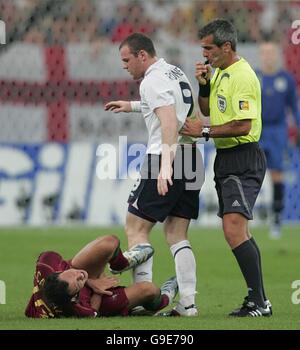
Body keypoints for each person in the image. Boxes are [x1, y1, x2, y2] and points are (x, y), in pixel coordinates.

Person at [105, 33, 204, 316]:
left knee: (136, 227)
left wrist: (164, 166)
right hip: (191, 157)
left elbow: (169, 121)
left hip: (166, 155)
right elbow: (181, 109)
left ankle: (141, 298)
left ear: (142, 56)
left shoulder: (151, 80)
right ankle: (187, 303)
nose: (124, 66)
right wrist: (133, 105)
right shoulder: (173, 71)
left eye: (127, 60)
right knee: (176, 234)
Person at [180, 19, 272, 317]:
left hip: (243, 157)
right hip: (226, 158)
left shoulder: (243, 76)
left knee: (233, 229)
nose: (204, 54)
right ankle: (259, 301)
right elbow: (207, 110)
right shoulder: (220, 71)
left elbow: (243, 125)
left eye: (209, 48)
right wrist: (204, 84)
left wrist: (203, 132)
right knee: (238, 230)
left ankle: (259, 301)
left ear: (226, 46)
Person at [25, 234, 177, 318]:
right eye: (78, 282)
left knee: (109, 242)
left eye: (70, 274)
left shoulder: (46, 264)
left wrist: (89, 281)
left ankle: (122, 264)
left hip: (86, 278)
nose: (79, 275)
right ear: (74, 297)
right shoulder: (77, 308)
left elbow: (73, 270)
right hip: (100, 300)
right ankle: (164, 299)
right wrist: (98, 290)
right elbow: (94, 313)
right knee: (149, 291)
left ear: (57, 272)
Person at [256, 39, 300, 239]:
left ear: (277, 55)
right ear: (260, 56)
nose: (268, 56)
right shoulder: (254, 77)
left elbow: (293, 107)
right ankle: (248, 216)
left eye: (271, 52)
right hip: (256, 130)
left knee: (277, 176)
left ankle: (276, 220)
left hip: (277, 132)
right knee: (251, 174)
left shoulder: (286, 79)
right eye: (264, 52)